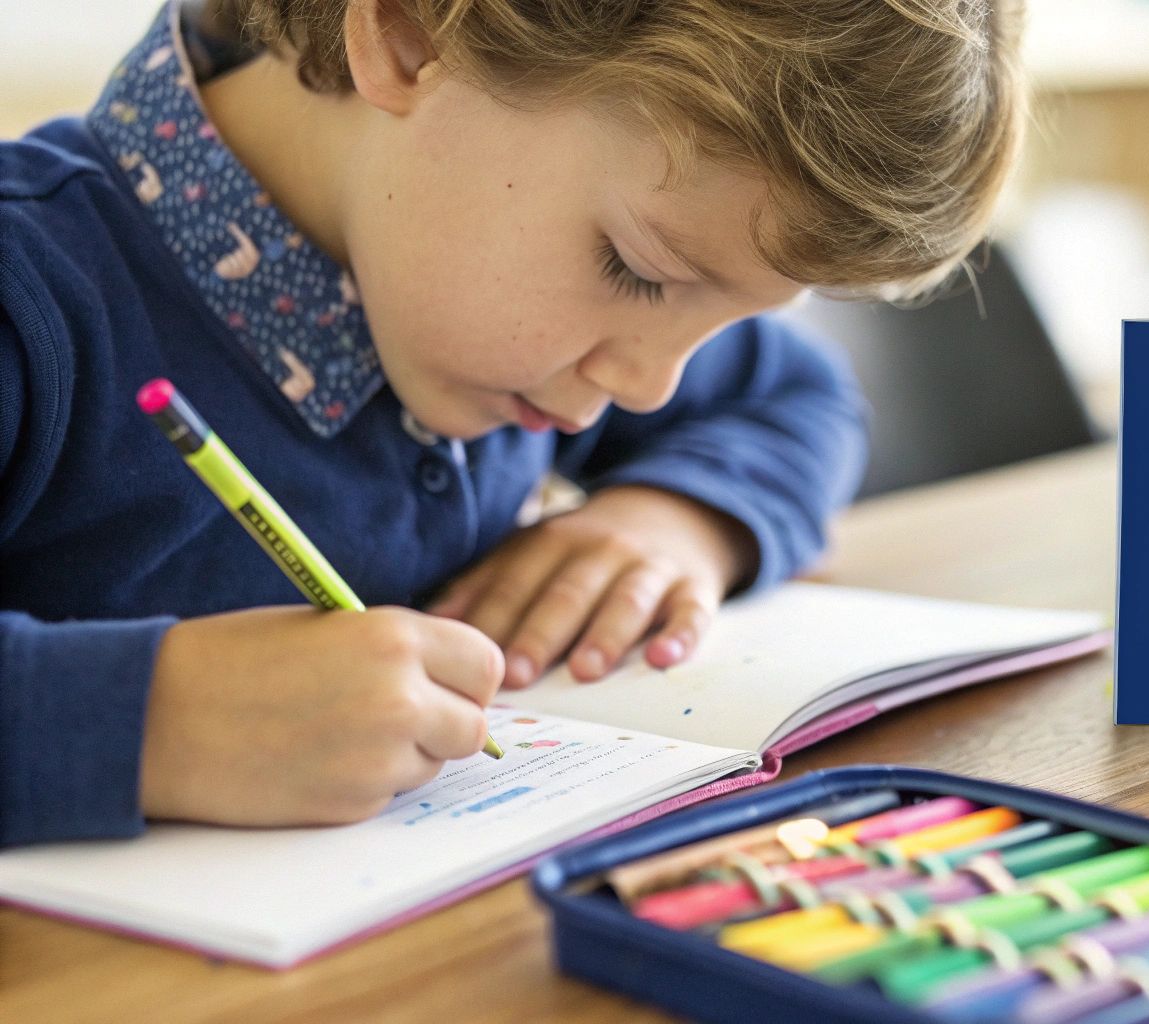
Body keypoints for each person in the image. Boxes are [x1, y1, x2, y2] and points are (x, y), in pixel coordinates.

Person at [0, 0, 1026, 846]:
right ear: (409, 37)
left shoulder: (512, 312)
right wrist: (162, 724)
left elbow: (797, 398)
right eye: (638, 272)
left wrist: (678, 519)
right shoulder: (32, 294)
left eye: (724, 319)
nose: (649, 386)